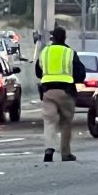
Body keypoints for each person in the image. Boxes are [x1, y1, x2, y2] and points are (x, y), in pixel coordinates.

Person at [35, 26, 86, 162]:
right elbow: (80, 73)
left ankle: (48, 150)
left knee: (49, 121)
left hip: (48, 91)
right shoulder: (69, 52)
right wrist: (76, 80)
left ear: (52, 38)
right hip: (66, 92)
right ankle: (65, 152)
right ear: (64, 37)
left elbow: (38, 72)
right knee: (66, 122)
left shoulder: (44, 52)